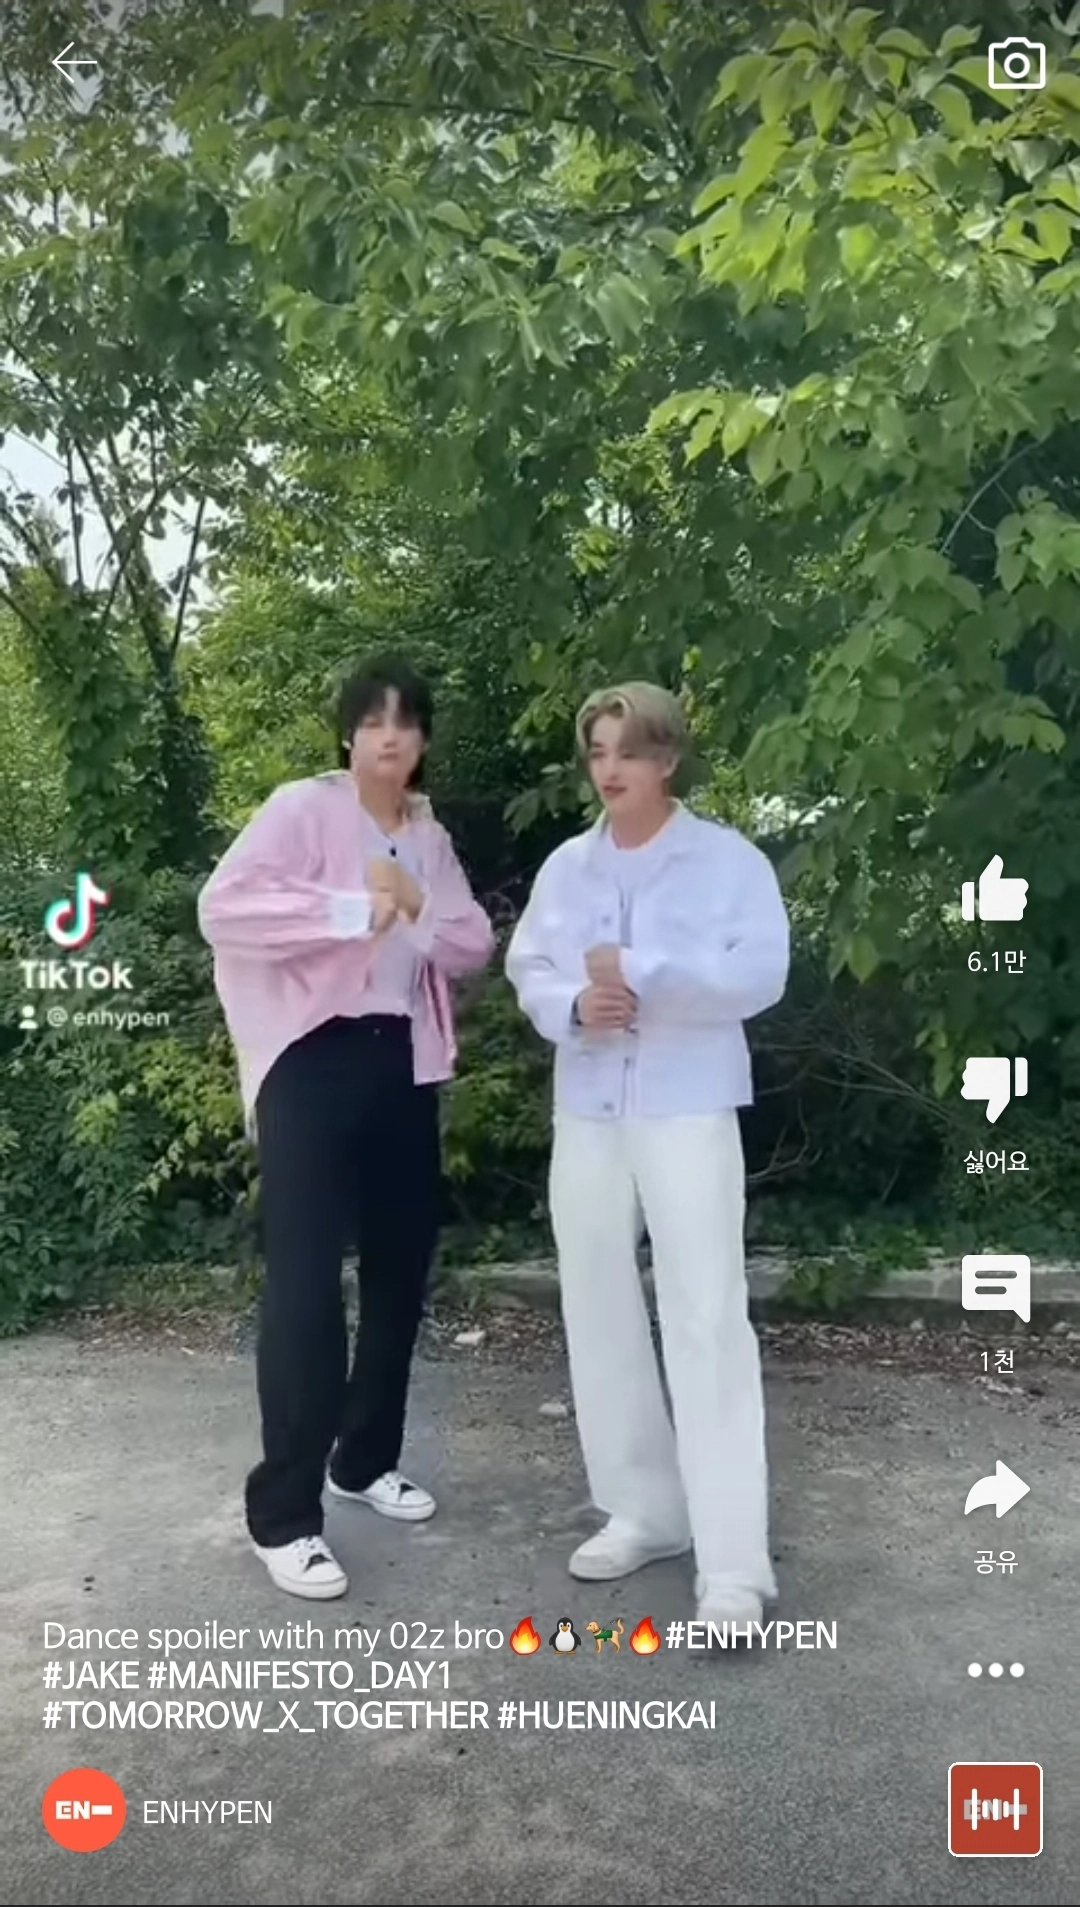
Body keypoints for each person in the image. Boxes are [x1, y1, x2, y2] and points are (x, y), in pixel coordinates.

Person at [198, 656, 494, 1600]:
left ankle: (362, 1460)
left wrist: (413, 905)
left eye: (405, 721)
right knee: (306, 1283)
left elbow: (472, 942)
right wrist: (350, 907)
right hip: (309, 1058)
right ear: (348, 733)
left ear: (424, 739)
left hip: (402, 1060)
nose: (389, 736)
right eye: (372, 720)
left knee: (401, 1271)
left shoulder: (429, 838)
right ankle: (283, 1514)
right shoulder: (303, 808)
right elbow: (224, 909)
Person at [505, 682, 790, 1627]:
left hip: (687, 1104)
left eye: (627, 750)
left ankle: (734, 1566)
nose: (609, 768)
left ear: (666, 758)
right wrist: (573, 1006)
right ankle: (645, 1511)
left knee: (707, 1316)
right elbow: (530, 967)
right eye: (597, 751)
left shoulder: (727, 861)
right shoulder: (567, 868)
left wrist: (645, 975)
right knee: (597, 1304)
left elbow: (761, 974)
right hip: (588, 1106)